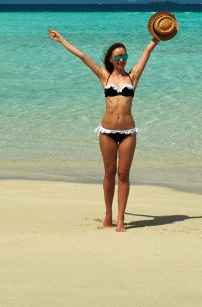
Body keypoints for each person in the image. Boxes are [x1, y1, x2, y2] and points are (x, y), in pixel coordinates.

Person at [47, 28, 160, 231]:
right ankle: (108, 215)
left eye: (124, 56)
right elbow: (82, 56)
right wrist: (61, 40)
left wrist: (157, 37)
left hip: (128, 133)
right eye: (118, 56)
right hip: (107, 132)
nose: (122, 60)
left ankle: (121, 218)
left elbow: (148, 51)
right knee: (109, 173)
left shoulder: (133, 76)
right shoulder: (104, 76)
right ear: (110, 58)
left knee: (123, 175)